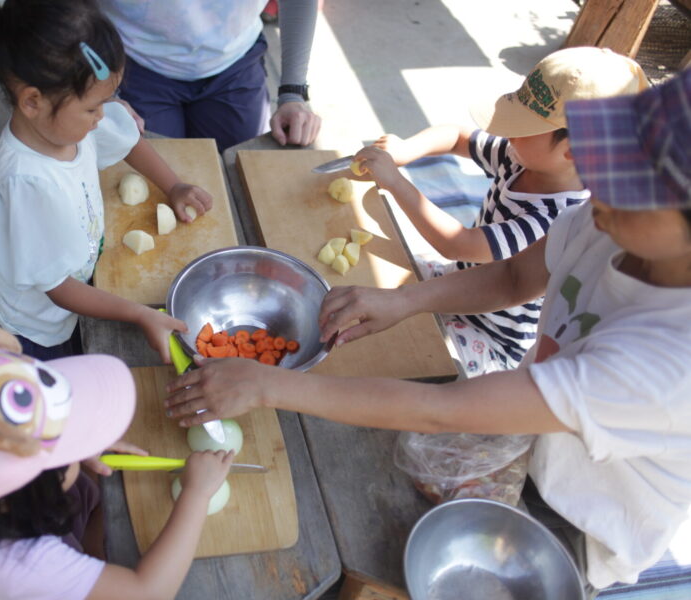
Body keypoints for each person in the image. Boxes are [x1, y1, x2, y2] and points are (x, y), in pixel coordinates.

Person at [162, 69, 691, 592]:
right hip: (529, 443)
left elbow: (438, 410)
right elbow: (513, 275)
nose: (605, 174)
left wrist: (265, 384)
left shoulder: (669, 363)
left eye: (639, 177)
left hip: (580, 524)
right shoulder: (605, 221)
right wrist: (404, 301)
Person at [0, 0, 212, 366]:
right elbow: (59, 290)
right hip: (29, 320)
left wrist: (173, 186)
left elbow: (128, 141)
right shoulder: (27, 184)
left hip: (38, 300)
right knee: (2, 396)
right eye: (94, 108)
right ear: (33, 101)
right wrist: (139, 312)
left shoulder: (71, 121)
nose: (103, 116)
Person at [352, 47, 648, 375]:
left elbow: (458, 243)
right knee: (366, 289)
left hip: (491, 335)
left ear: (572, 151)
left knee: (399, 357)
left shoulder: (558, 217)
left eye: (522, 127)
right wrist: (407, 150)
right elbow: (457, 137)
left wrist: (396, 182)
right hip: (454, 280)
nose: (506, 133)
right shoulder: (520, 155)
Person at [0, 315, 234, 600]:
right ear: (40, 488)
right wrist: (196, 494)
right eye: (68, 452)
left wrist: (77, 447)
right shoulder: (23, 565)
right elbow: (148, 593)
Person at [97, 0, 321, 152]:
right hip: (132, 60)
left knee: (240, 166)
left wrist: (293, 93)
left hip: (235, 61)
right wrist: (98, 88)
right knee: (147, 174)